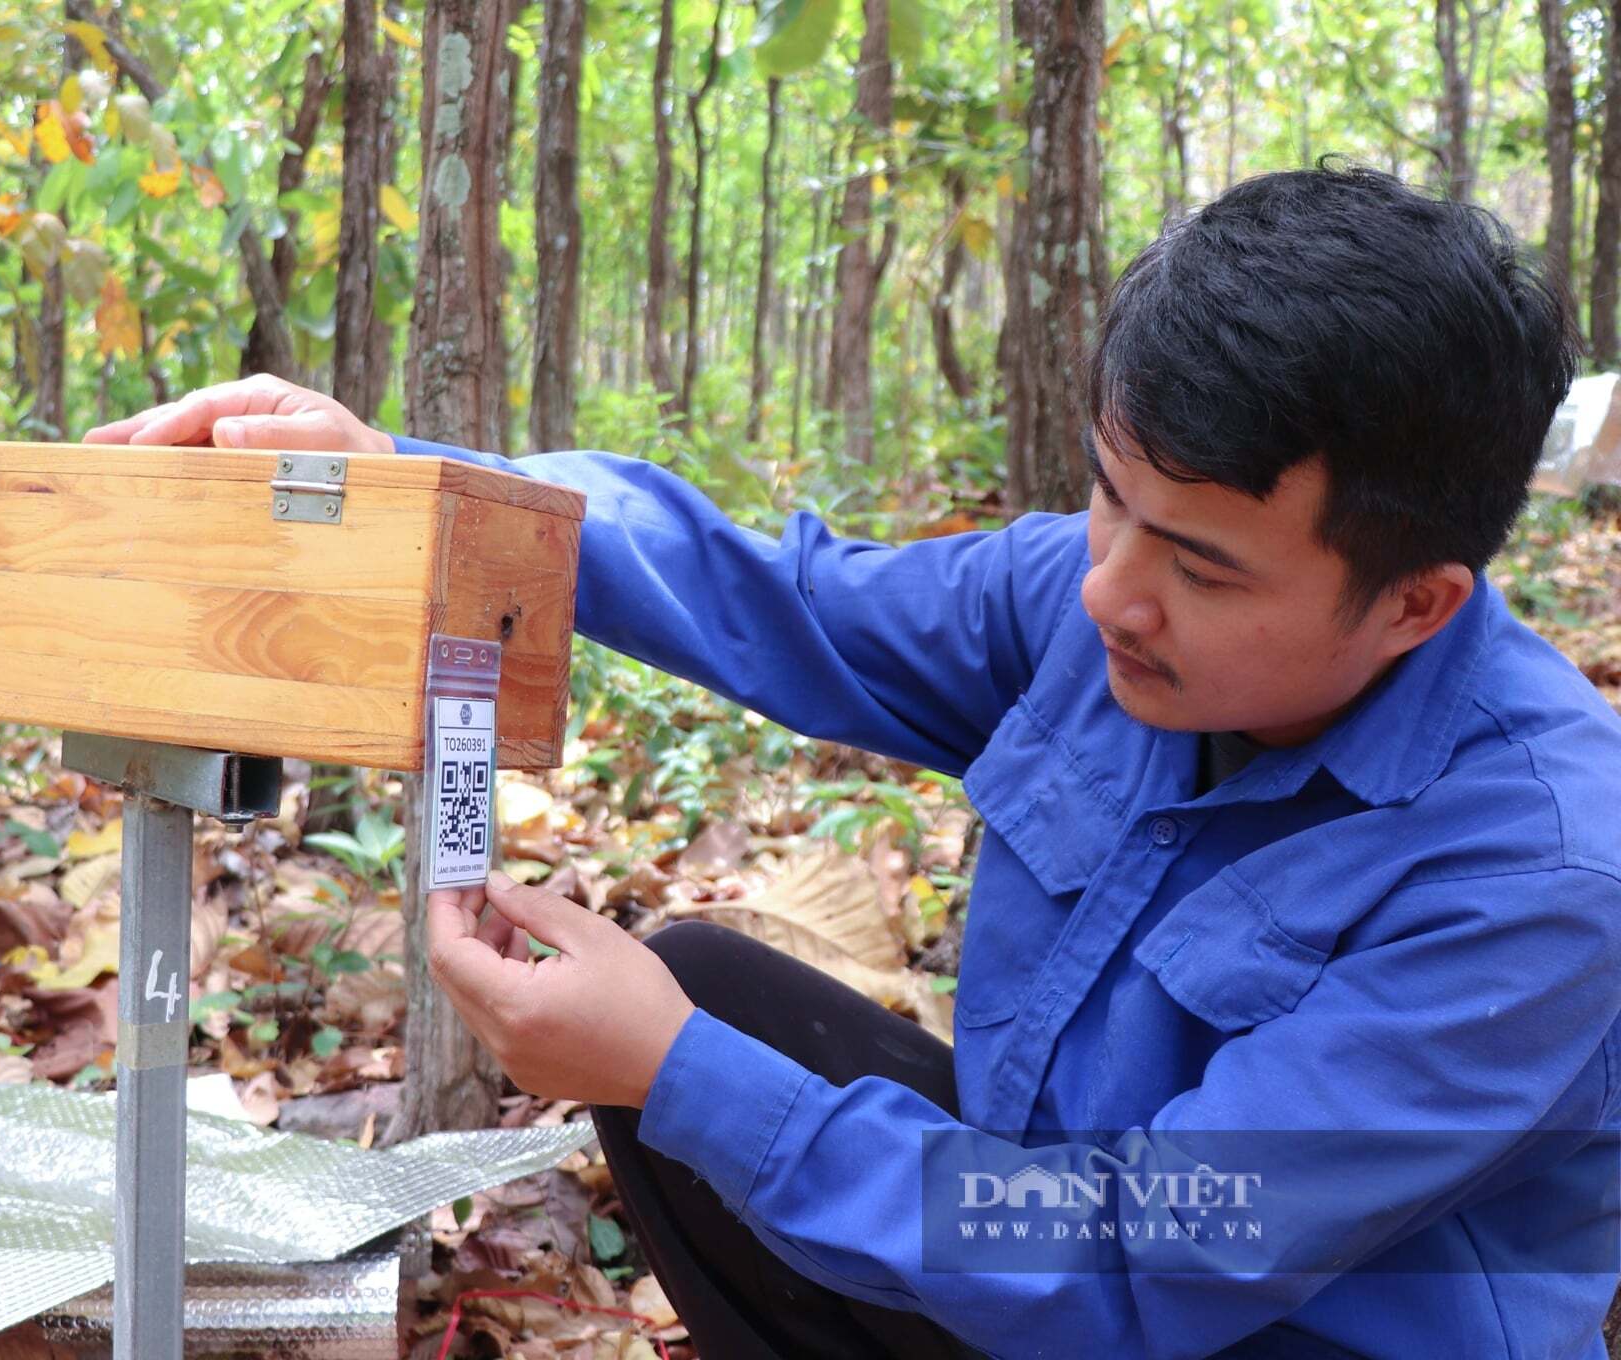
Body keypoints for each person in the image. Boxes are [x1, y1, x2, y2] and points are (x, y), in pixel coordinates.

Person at [85, 163, 1621, 1359]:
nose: (1110, 592)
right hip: (1048, 1244)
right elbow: (789, 598)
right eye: (1108, 500)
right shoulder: (1092, 603)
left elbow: (1141, 1258)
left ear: (1415, 603)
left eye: (1202, 569)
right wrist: (422, 485)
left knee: (700, 1059)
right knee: (711, 991)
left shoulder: (1535, 877)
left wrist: (676, 1073)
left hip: (1228, 1311)